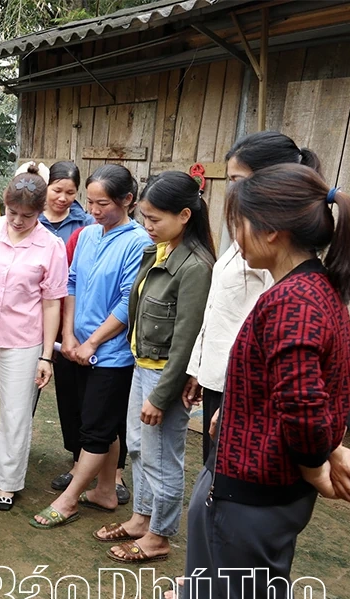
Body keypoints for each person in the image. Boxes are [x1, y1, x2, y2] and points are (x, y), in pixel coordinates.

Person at [176, 164, 350, 599]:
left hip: (247, 501)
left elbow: (303, 407)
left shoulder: (291, 301)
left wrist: (315, 462)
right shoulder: (316, 289)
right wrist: (236, 411)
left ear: (271, 230)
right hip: (262, 497)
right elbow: (291, 389)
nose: (236, 236)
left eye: (240, 223)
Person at [165, 131, 316, 599]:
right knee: (214, 489)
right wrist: (196, 368)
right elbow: (220, 311)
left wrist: (234, 398)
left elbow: (263, 335)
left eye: (237, 179)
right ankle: (205, 581)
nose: (229, 190)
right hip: (218, 378)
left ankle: (216, 590)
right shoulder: (244, 236)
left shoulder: (277, 250)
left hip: (243, 390)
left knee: (227, 495)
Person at [91, 172, 214, 563]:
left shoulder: (195, 267)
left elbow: (186, 338)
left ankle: (159, 535)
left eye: (155, 219)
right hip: (143, 366)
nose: (147, 226)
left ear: (184, 215)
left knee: (163, 458)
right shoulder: (157, 251)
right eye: (144, 217)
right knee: (140, 448)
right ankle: (141, 518)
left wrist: (161, 396)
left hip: (164, 374)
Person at [31, 164, 152, 528]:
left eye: (103, 203)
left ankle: (68, 501)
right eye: (91, 202)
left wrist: (94, 342)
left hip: (111, 355)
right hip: (73, 346)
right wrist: (67, 337)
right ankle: (104, 491)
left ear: (127, 200)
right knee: (91, 422)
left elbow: (129, 301)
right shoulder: (86, 236)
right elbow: (69, 284)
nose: (95, 210)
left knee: (98, 428)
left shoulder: (139, 242)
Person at [0, 166, 68, 510]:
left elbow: (52, 304)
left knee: (16, 411)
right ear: (4, 205)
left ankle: (7, 480)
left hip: (23, 340)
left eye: (27, 215)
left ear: (40, 212)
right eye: (12, 213)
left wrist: (46, 355)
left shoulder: (51, 246)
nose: (18, 221)